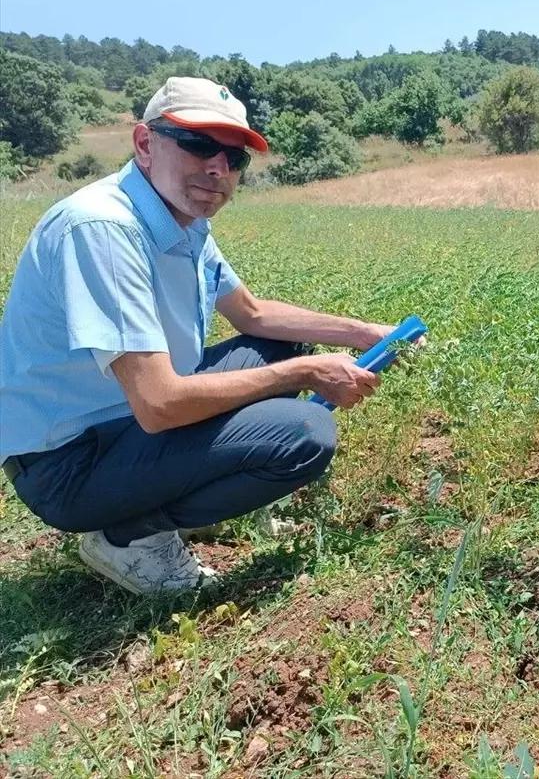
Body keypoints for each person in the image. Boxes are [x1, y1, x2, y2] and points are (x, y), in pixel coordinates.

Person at [0, 77, 404, 594]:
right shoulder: (102, 228)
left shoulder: (184, 221)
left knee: (281, 345)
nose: (218, 168)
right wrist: (307, 373)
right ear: (145, 144)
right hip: (69, 463)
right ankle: (129, 537)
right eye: (198, 144)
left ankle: (175, 491)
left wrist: (364, 332)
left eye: (235, 158)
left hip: (125, 424)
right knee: (303, 434)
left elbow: (254, 314)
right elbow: (160, 404)